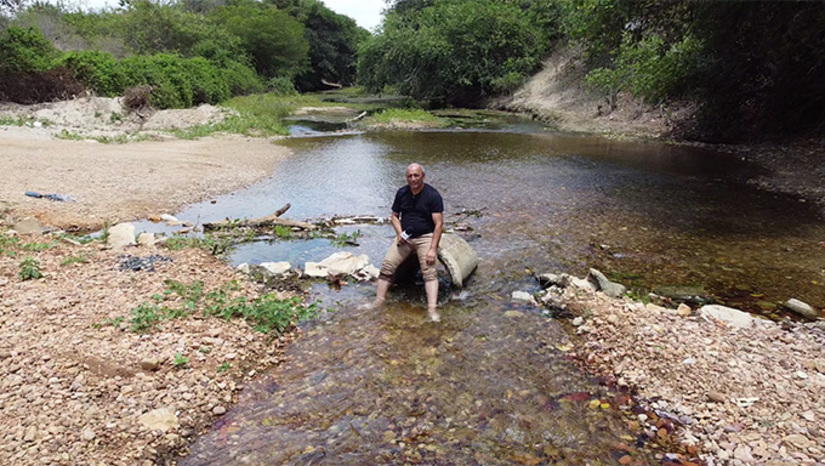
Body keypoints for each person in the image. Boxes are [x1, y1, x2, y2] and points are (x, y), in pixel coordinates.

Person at [373, 163, 444, 322]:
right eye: (410, 176)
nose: (413, 179)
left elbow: (439, 224)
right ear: (407, 178)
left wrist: (433, 248)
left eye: (416, 175)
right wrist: (399, 234)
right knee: (387, 265)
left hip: (425, 236)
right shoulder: (402, 193)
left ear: (423, 176)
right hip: (405, 237)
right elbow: (394, 216)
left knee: (430, 271)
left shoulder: (432, 195)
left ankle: (432, 310)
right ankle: (379, 301)